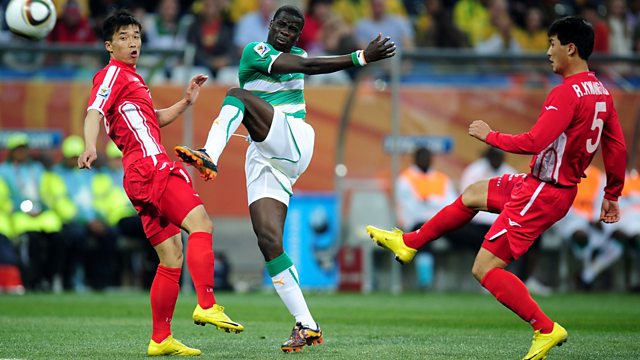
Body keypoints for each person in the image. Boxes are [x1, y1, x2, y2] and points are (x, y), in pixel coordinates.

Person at [366, 16, 627, 360]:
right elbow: (617, 147)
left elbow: (535, 141)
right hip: (543, 185)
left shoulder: (566, 93)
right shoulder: (602, 93)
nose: (548, 51)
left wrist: (490, 135)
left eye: (552, 44)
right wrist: (611, 195)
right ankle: (409, 243)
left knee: (485, 269)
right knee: (474, 192)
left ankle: (545, 328)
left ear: (571, 48)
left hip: (545, 190)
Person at [173, 5, 395, 352]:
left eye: (294, 28)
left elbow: (306, 65)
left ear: (297, 35)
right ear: (271, 24)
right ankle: (307, 324)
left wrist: (361, 59)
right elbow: (303, 67)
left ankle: (208, 155)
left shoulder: (299, 56)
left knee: (236, 95)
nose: (287, 32)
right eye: (283, 25)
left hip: (292, 138)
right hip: (264, 154)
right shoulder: (255, 50)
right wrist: (360, 57)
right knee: (268, 240)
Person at [77, 10, 243, 356]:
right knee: (201, 224)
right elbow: (93, 111)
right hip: (151, 168)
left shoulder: (133, 80)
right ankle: (207, 303)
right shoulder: (111, 74)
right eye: (123, 37)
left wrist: (185, 102)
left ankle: (160, 339)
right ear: (109, 46)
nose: (132, 42)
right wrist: (90, 145)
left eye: (136, 35)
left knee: (171, 258)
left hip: (138, 175)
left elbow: (152, 120)